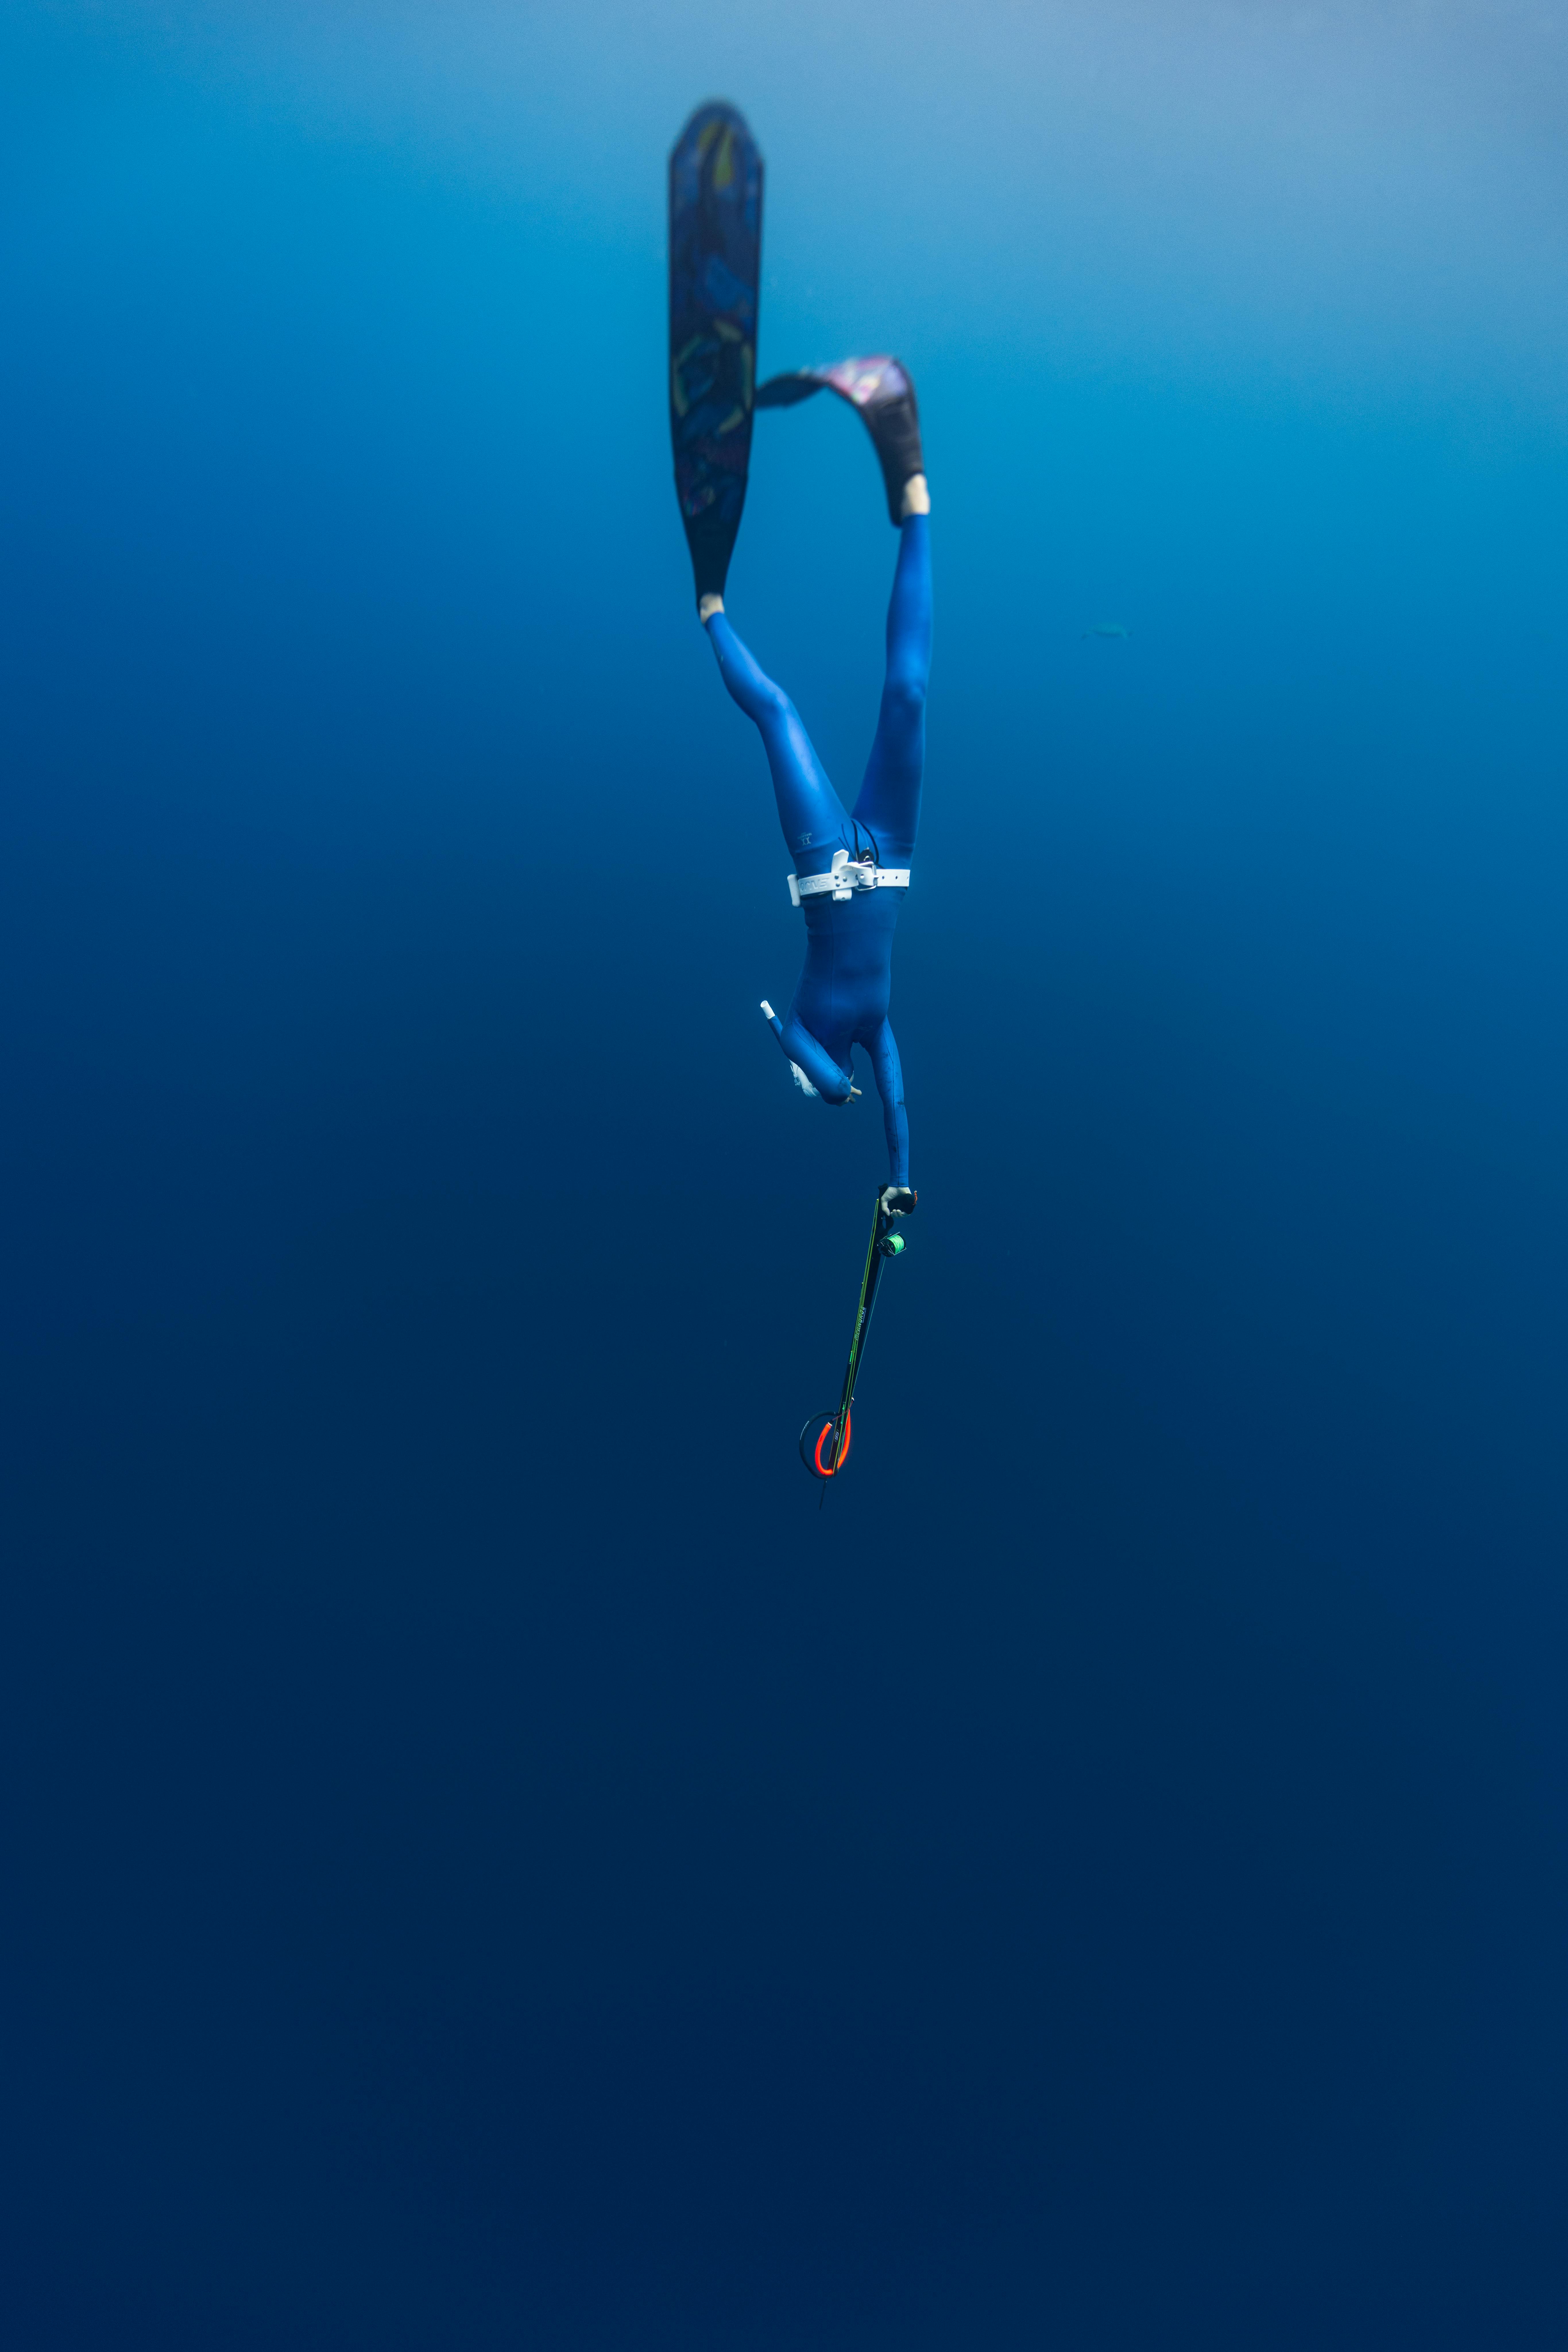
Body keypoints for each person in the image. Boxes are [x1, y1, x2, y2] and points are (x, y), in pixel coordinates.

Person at [697, 357, 931, 1206]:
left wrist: (826, 1085)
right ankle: (913, 493)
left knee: (780, 713)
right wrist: (899, 1181)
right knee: (906, 696)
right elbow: (894, 1101)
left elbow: (805, 1055)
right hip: (892, 855)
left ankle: (710, 605)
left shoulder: (806, 1037)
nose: (830, 1077)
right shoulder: (875, 1033)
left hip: (829, 870)